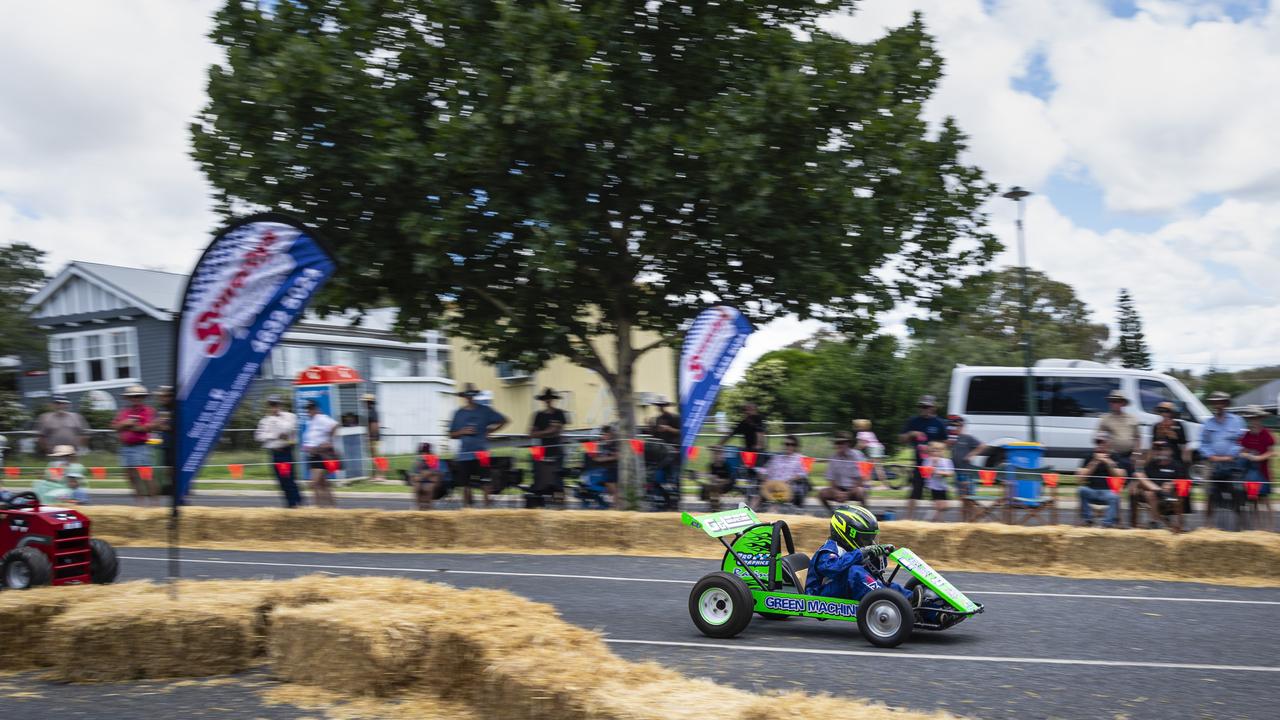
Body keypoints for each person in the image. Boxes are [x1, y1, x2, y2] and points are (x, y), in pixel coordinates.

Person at [805, 505, 910, 602]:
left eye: (871, 539)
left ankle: (913, 599)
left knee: (887, 586)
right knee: (854, 571)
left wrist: (878, 555)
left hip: (843, 588)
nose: (870, 543)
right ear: (846, 534)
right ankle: (889, 600)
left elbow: (872, 573)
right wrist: (861, 553)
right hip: (819, 595)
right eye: (865, 539)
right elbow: (832, 569)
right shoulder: (828, 550)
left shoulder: (849, 549)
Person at [448, 383, 508, 507]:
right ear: (464, 396)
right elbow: (451, 434)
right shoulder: (458, 413)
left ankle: (486, 509)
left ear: (475, 395)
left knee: (486, 482)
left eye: (472, 394)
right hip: (464, 454)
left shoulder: (485, 410)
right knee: (465, 484)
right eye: (467, 394)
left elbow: (504, 420)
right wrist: (462, 432)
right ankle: (467, 510)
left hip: (482, 453)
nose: (470, 397)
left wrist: (490, 431)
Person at [1201, 390, 1247, 526]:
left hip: (1233, 463)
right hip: (1213, 464)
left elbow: (1242, 441)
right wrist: (1211, 456)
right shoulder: (1207, 423)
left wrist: (1230, 455)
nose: (1218, 405)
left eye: (1221, 402)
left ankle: (1240, 524)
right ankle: (1207, 525)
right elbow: (1203, 443)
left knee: (1237, 491)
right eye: (1215, 403)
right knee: (1210, 492)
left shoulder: (1237, 421)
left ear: (1226, 404)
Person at [900, 395, 949, 520]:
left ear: (933, 407)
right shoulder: (913, 421)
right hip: (920, 464)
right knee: (915, 492)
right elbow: (902, 439)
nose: (924, 409)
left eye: (927, 406)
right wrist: (912, 433)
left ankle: (936, 522)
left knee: (939, 496)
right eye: (922, 406)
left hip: (936, 464)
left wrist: (934, 450)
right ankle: (908, 520)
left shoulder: (939, 423)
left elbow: (947, 442)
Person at [112, 385, 156, 505]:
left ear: (143, 397)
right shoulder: (124, 412)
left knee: (146, 475)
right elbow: (114, 426)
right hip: (126, 447)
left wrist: (128, 425)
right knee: (131, 476)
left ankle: (154, 503)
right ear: (128, 398)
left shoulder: (148, 410)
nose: (135, 398)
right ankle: (139, 502)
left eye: (138, 396)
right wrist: (126, 423)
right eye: (132, 396)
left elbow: (148, 427)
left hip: (141, 446)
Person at [255, 395, 301, 508]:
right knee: (281, 480)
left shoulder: (290, 416)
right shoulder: (265, 421)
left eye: (276, 404)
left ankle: (295, 502)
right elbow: (258, 436)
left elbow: (288, 429)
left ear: (281, 405)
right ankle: (291, 502)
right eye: (271, 405)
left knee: (288, 478)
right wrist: (274, 435)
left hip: (285, 451)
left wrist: (277, 421)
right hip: (275, 453)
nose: (274, 407)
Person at [1134, 440, 1186, 531]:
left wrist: (1172, 483)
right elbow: (1141, 473)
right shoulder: (1151, 464)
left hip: (1170, 493)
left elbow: (1184, 481)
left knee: (1149, 491)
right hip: (1154, 493)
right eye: (1158, 450)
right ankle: (1156, 522)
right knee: (1140, 478)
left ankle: (1168, 523)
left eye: (1163, 449)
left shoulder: (1177, 465)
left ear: (1170, 451)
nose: (1160, 452)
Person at [529, 388, 568, 503]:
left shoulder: (560, 413)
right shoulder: (538, 415)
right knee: (539, 473)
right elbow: (531, 434)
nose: (548, 401)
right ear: (543, 401)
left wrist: (543, 433)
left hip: (556, 447)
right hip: (541, 448)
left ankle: (559, 501)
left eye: (550, 399)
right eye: (546, 399)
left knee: (558, 474)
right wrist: (546, 432)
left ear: (553, 400)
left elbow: (558, 430)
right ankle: (540, 497)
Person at [1076, 433, 1124, 528]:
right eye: (1098, 442)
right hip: (1091, 490)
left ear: (1109, 444)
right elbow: (1081, 477)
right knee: (1081, 490)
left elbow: (1119, 475)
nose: (1100, 444)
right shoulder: (1089, 456)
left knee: (1115, 497)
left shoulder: (1115, 457)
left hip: (1108, 491)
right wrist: (1095, 462)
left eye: (1103, 442)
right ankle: (1088, 520)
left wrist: (1108, 462)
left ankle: (1107, 523)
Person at [1240, 406, 1274, 530]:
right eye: (1251, 419)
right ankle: (1257, 528)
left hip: (1263, 472)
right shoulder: (1247, 435)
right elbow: (1242, 451)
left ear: (1260, 419)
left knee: (1265, 500)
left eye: (1256, 418)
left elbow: (1271, 452)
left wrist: (1258, 458)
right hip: (1250, 473)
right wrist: (1247, 455)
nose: (1253, 421)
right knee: (1253, 500)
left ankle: (1270, 528)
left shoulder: (1266, 434)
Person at [947, 416, 987, 521]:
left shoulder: (967, 438)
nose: (956, 428)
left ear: (963, 426)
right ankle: (967, 520)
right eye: (954, 426)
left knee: (969, 498)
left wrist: (971, 454)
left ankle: (978, 516)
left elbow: (983, 446)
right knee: (962, 498)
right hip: (957, 472)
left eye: (958, 426)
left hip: (967, 473)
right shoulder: (952, 439)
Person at [301, 400, 339, 508]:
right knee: (323, 484)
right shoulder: (311, 421)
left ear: (316, 409)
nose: (309, 411)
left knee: (314, 483)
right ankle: (332, 507)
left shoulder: (322, 418)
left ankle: (316, 506)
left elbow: (335, 426)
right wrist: (307, 446)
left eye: (311, 409)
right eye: (308, 409)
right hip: (313, 455)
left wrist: (329, 441)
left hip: (321, 455)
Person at [819, 432, 869, 511]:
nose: (839, 445)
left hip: (854, 488)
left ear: (848, 443)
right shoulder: (833, 458)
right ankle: (831, 514)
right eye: (837, 443)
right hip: (839, 488)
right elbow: (831, 479)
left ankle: (864, 514)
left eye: (842, 442)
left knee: (861, 492)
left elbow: (862, 479)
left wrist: (847, 493)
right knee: (822, 493)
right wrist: (836, 492)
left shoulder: (858, 455)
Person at [1096, 390, 1141, 475]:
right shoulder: (1105, 419)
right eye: (1111, 401)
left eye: (1116, 401)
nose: (1112, 403)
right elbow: (1099, 438)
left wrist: (1136, 453)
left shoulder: (1133, 418)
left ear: (1123, 403)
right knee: (1115, 480)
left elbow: (1137, 437)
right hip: (1112, 456)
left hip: (1129, 456)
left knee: (1130, 479)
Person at [757, 435, 808, 509]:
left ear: (796, 446)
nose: (789, 446)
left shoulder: (800, 459)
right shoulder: (776, 458)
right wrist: (762, 476)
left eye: (792, 444)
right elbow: (765, 470)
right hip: (771, 485)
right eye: (787, 444)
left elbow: (803, 473)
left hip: (786, 487)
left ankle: (770, 516)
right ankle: (747, 516)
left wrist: (790, 479)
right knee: (757, 498)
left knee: (775, 502)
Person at [580, 427, 619, 509]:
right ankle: (613, 505)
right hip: (605, 470)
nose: (602, 436)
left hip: (612, 469)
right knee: (611, 490)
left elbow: (617, 456)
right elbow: (596, 457)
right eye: (602, 435)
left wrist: (601, 459)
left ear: (610, 434)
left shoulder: (614, 444)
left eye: (604, 434)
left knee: (614, 491)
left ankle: (615, 506)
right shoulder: (603, 444)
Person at [407, 441, 445, 510]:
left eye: (426, 452)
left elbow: (439, 474)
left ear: (430, 452)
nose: (424, 454)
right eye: (422, 452)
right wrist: (416, 478)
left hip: (431, 482)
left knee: (429, 487)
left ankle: (429, 507)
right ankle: (418, 507)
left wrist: (429, 473)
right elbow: (412, 475)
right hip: (420, 482)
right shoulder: (417, 461)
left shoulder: (434, 460)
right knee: (417, 486)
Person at [923, 441, 954, 521]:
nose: (935, 453)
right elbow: (925, 473)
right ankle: (939, 522)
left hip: (943, 487)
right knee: (939, 506)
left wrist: (942, 473)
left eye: (938, 451)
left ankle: (933, 520)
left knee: (945, 506)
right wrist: (933, 465)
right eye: (933, 451)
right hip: (933, 486)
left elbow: (951, 473)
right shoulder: (927, 460)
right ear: (930, 451)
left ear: (942, 451)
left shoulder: (946, 461)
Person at [702, 445, 736, 512]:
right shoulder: (711, 465)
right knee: (707, 487)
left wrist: (718, 480)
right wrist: (710, 477)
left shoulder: (726, 465)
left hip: (727, 485)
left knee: (715, 487)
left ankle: (716, 506)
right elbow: (709, 478)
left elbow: (730, 480)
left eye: (719, 454)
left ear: (722, 455)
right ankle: (714, 506)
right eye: (714, 454)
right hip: (715, 485)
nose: (716, 456)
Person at [362, 393, 383, 480]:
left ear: (369, 402)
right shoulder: (372, 411)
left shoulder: (372, 412)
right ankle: (375, 475)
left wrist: (371, 437)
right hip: (374, 437)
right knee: (374, 457)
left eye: (365, 402)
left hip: (373, 438)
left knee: (376, 457)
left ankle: (379, 475)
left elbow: (374, 425)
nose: (363, 404)